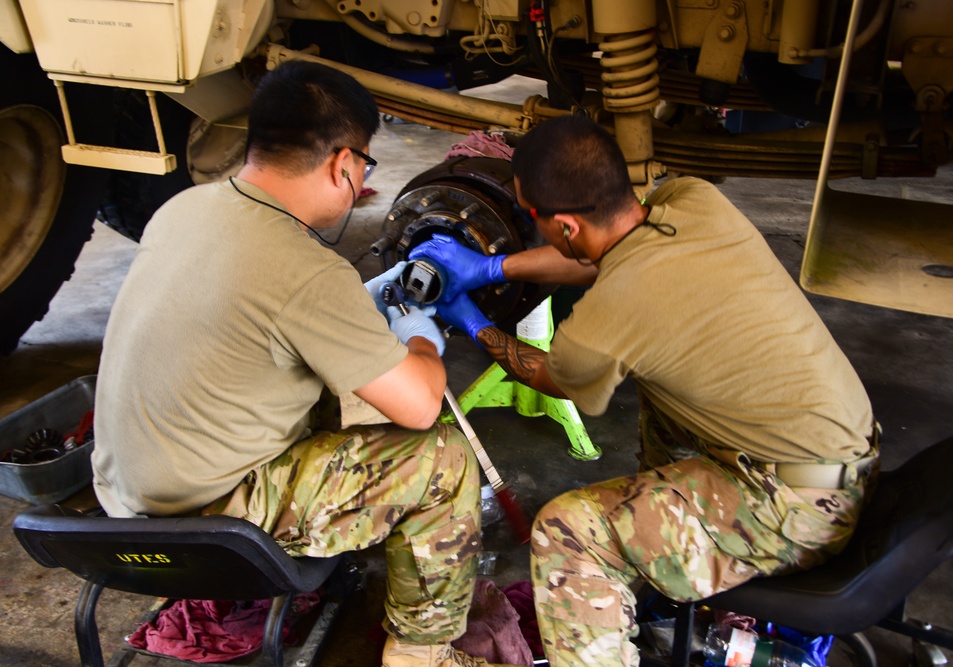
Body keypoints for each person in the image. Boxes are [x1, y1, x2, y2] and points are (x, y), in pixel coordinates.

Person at [409, 114, 879, 667]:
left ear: (563, 227)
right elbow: (603, 256)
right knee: (661, 393)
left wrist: (473, 324)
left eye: (532, 216)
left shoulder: (608, 321)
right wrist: (491, 266)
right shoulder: (691, 200)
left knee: (568, 531)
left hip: (797, 506)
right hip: (839, 448)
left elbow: (546, 374)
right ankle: (659, 576)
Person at [93, 60, 511, 667]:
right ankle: (423, 656)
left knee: (339, 388)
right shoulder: (306, 268)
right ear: (345, 164)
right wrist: (423, 338)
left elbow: (257, 317)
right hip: (205, 519)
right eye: (364, 162)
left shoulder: (183, 210)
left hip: (120, 498)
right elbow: (420, 406)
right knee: (443, 458)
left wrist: (365, 306)